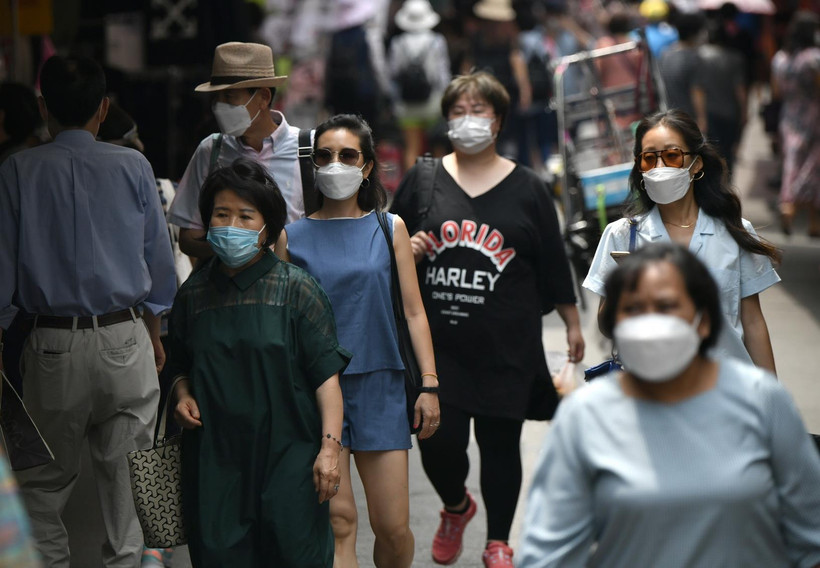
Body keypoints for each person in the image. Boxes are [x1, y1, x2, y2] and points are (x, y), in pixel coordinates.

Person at [518, 243, 820, 567]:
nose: (650, 323)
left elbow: (809, 537)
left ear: (704, 319)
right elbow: (548, 553)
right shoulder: (584, 417)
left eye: (666, 307)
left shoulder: (763, 402)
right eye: (633, 309)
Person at [390, 72, 584, 568]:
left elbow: (552, 260)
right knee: (438, 442)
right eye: (458, 109)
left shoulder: (530, 187)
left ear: (497, 120)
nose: (468, 119)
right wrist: (406, 250)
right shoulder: (425, 177)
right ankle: (456, 507)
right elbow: (388, 242)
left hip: (507, 342)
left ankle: (499, 541)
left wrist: (572, 322)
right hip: (438, 347)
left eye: (479, 110)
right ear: (446, 118)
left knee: (501, 444)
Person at [0, 55, 177, 567]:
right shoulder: (134, 166)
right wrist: (155, 332)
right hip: (126, 337)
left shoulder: (16, 170)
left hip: (51, 343)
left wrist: (16, 341)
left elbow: (4, 276)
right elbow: (159, 265)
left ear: (42, 108)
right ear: (104, 109)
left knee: (41, 487)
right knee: (130, 493)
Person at [275, 113, 440, 568]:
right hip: (317, 392)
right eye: (324, 156)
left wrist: (428, 385)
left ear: (367, 166)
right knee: (340, 521)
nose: (335, 165)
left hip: (382, 387)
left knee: (393, 527)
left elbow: (412, 311)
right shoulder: (292, 236)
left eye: (347, 156)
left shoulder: (390, 229)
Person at [167, 158, 348, 567]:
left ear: (268, 228)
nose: (232, 224)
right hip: (215, 466)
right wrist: (181, 394)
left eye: (246, 215)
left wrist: (329, 450)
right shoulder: (193, 295)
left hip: (290, 464)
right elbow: (178, 362)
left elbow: (327, 380)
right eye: (221, 214)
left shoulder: (297, 290)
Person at [583, 109, 780, 373]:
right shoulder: (621, 235)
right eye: (649, 159)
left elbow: (753, 322)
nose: (660, 167)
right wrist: (627, 293)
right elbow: (607, 327)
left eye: (672, 156)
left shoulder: (734, 232)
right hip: (652, 396)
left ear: (696, 164)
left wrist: (771, 399)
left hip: (727, 392)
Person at [167, 41, 313, 260]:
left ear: (263, 97)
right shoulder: (211, 151)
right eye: (216, 98)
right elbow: (188, 237)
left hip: (292, 286)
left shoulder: (308, 150)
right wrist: (232, 252)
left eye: (229, 97)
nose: (219, 106)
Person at [771, 11, 820, 238]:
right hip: (813, 116)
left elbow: (776, 91)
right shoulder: (814, 58)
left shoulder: (780, 58)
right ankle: (813, 221)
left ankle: (787, 204)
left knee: (791, 163)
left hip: (788, 116)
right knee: (813, 166)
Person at [388, 0, 451, 170]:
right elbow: (442, 73)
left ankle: (413, 186)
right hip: (432, 102)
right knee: (438, 147)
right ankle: (441, 183)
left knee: (411, 148)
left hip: (407, 104)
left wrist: (393, 101)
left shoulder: (397, 43)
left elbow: (393, 74)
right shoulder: (437, 41)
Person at [694, 23, 747, 175]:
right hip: (730, 112)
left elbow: (699, 90)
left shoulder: (700, 57)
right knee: (728, 152)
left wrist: (701, 116)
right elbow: (740, 89)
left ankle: (718, 184)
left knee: (713, 152)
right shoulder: (736, 57)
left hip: (710, 112)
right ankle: (728, 182)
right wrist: (744, 112)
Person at [659, 12, 706, 120]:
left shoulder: (665, 54)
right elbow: (697, 91)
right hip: (689, 118)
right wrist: (702, 119)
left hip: (671, 116)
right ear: (693, 34)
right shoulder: (693, 59)